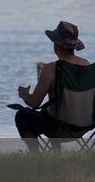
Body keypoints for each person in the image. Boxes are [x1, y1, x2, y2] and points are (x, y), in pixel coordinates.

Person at [14, 20, 90, 151]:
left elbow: (34, 104)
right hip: (85, 124)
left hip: (58, 127)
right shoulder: (87, 65)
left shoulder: (50, 70)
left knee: (22, 115)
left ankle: (36, 158)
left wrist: (25, 95)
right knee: (51, 110)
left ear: (56, 46)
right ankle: (56, 153)